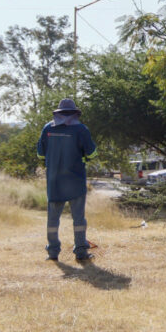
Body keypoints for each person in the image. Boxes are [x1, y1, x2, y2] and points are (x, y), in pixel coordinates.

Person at [37, 99, 97, 262]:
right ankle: (81, 252)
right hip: (75, 181)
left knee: (52, 220)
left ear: (58, 113)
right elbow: (92, 153)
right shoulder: (81, 129)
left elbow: (40, 154)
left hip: (54, 181)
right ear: (74, 113)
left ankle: (53, 252)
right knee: (78, 219)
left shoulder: (48, 128)